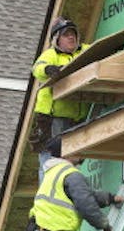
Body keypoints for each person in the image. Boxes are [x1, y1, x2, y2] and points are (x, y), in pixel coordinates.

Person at [30, 18, 89, 150]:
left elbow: (99, 50)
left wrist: (112, 49)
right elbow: (37, 69)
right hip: (53, 117)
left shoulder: (84, 51)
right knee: (51, 156)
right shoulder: (51, 55)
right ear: (57, 39)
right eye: (66, 34)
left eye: (73, 34)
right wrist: (47, 69)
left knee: (72, 156)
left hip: (77, 118)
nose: (71, 37)